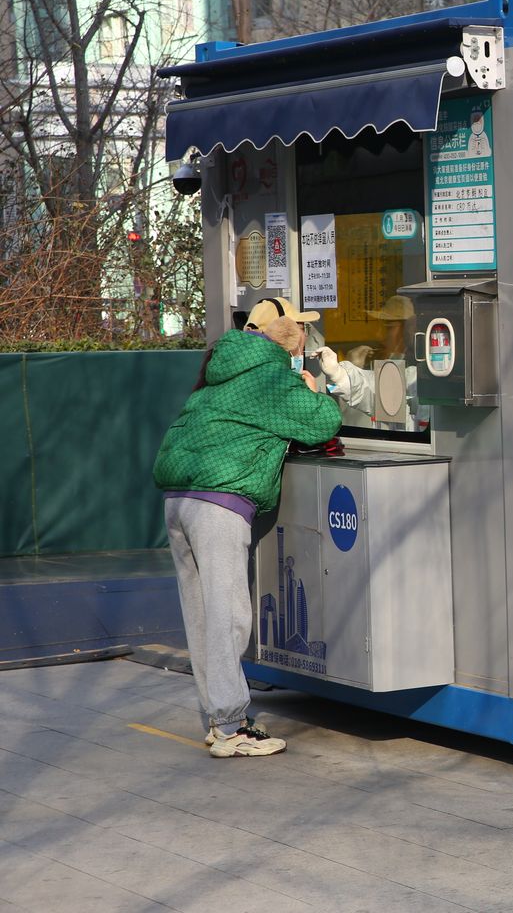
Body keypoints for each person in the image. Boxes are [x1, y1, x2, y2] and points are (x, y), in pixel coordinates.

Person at [153, 301, 341, 758]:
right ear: (285, 334)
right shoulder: (272, 376)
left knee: (201, 615)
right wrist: (317, 391)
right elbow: (323, 424)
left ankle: (221, 719)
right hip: (219, 504)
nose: (305, 337)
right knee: (227, 616)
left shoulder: (225, 367)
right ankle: (232, 727)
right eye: (301, 328)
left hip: (178, 500)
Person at [314, 293, 429, 431]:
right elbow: (364, 392)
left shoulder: (412, 376)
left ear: (405, 331)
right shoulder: (382, 367)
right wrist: (343, 373)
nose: (380, 335)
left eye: (388, 327)